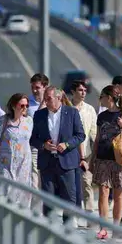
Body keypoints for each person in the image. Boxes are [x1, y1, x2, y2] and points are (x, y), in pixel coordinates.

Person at [30, 87, 86, 223]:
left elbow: (80, 135)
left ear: (59, 98)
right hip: (47, 163)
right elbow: (33, 139)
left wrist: (67, 144)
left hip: (67, 163)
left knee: (69, 199)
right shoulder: (39, 115)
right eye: (45, 99)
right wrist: (44, 145)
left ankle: (68, 229)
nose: (46, 102)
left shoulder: (72, 112)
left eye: (49, 99)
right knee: (48, 200)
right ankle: (49, 229)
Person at [91, 85, 122, 240]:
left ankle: (116, 227)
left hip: (120, 160)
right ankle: (103, 228)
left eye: (102, 97)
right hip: (103, 159)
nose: (100, 99)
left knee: (118, 194)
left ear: (109, 98)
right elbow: (98, 139)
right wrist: (92, 159)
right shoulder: (101, 116)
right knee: (103, 193)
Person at [0, 93, 34, 209]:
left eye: (27, 105)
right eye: (22, 105)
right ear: (14, 106)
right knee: (7, 193)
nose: (25, 108)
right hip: (6, 164)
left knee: (23, 194)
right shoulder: (2, 121)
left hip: (24, 165)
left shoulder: (29, 121)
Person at [70, 80, 98, 227]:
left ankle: (89, 217)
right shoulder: (66, 108)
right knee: (72, 186)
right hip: (69, 154)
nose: (83, 93)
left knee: (87, 184)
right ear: (73, 92)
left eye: (85, 90)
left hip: (86, 154)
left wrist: (97, 151)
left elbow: (94, 132)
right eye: (80, 90)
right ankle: (73, 215)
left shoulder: (89, 109)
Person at [28, 73, 49, 189]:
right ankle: (35, 200)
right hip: (34, 147)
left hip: (51, 147)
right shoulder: (27, 104)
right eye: (32, 87)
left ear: (45, 87)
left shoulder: (52, 102)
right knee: (34, 178)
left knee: (47, 179)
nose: (34, 90)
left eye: (37, 88)